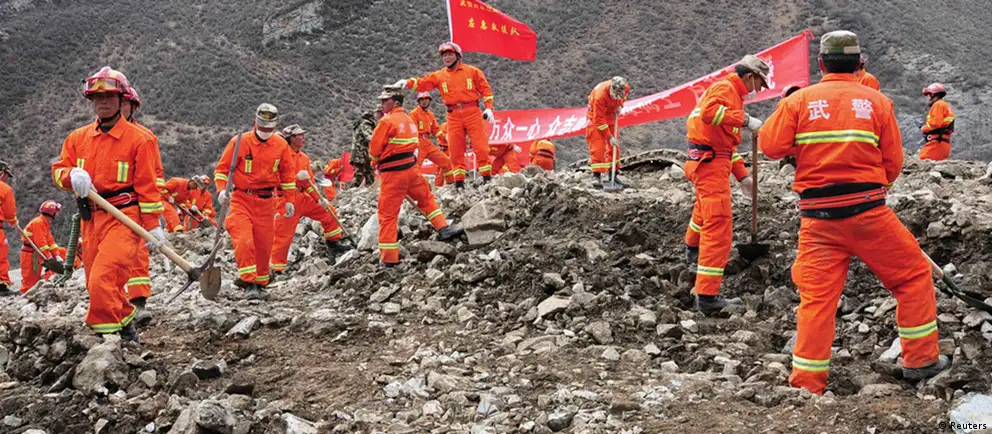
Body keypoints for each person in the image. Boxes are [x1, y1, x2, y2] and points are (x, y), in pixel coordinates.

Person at [759, 30, 948, 395]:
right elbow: (893, 163)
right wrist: (871, 188)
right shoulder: (877, 102)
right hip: (870, 215)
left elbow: (770, 146)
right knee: (912, 278)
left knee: (816, 301)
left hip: (817, 222)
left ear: (820, 64)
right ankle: (921, 361)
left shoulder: (799, 102)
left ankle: (807, 384)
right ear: (860, 64)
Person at [51, 66, 166, 343]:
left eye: (109, 97)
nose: (102, 102)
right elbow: (58, 171)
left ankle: (106, 338)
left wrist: (153, 226)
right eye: (97, 97)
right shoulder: (77, 139)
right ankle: (126, 323)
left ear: (121, 99)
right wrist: (70, 175)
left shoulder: (140, 140)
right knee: (98, 281)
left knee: (102, 277)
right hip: (91, 220)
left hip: (125, 218)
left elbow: (148, 187)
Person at [683, 55, 769, 315]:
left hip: (710, 162)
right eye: (759, 84)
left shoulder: (731, 94)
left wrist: (742, 176)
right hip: (709, 166)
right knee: (718, 226)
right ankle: (707, 296)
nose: (758, 90)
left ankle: (692, 249)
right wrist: (744, 120)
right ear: (750, 76)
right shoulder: (726, 89)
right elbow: (710, 114)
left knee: (704, 211)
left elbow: (725, 145)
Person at [369, 87, 464, 268]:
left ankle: (389, 259)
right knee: (426, 199)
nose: (382, 104)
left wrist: (374, 162)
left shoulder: (386, 121)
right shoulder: (409, 119)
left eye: (385, 100)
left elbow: (374, 149)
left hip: (393, 175)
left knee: (388, 215)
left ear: (396, 102)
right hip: (411, 171)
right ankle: (443, 228)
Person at [213, 103, 297, 300]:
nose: (265, 132)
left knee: (264, 245)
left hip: (267, 202)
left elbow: (287, 174)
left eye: (269, 129)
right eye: (262, 128)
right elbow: (222, 170)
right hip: (241, 199)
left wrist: (289, 200)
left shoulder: (280, 145)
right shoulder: (239, 142)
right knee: (244, 240)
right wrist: (221, 190)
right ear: (254, 124)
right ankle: (249, 282)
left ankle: (259, 283)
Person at [392, 42, 496, 188]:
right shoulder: (439, 76)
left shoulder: (472, 72)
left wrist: (489, 108)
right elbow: (423, 83)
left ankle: (486, 179)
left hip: (472, 112)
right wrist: (407, 83)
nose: (446, 58)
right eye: (444, 55)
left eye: (449, 54)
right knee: (455, 149)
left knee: (481, 147)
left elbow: (486, 90)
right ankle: (459, 183)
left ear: (458, 55)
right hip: (453, 116)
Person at [270, 124, 347, 277]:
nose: (303, 137)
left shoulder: (304, 158)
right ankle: (277, 269)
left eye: (302, 134)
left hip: (302, 197)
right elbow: (273, 179)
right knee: (283, 235)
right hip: (285, 199)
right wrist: (295, 178)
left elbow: (309, 184)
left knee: (329, 211)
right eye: (299, 135)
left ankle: (333, 243)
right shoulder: (280, 156)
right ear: (291, 139)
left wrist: (319, 199)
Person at [120, 84, 166, 324]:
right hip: (103, 210)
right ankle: (115, 308)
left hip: (134, 207)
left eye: (123, 103)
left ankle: (138, 303)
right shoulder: (91, 136)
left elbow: (155, 176)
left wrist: (152, 221)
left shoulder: (145, 138)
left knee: (137, 256)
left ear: (132, 107)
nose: (119, 107)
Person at [586, 77, 630, 188]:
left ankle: (613, 175)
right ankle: (596, 176)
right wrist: (609, 137)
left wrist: (620, 104)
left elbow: (624, 97)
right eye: (615, 95)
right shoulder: (600, 96)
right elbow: (598, 119)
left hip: (611, 114)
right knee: (598, 146)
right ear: (611, 89)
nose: (616, 97)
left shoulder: (625, 87)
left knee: (615, 147)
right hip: (596, 116)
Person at [19, 200, 68, 293]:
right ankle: (25, 296)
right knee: (30, 280)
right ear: (52, 213)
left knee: (62, 251)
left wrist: (56, 255)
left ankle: (40, 287)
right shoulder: (38, 223)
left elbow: (50, 241)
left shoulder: (44, 223)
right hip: (30, 255)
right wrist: (49, 257)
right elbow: (41, 244)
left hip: (36, 253)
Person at [919, 83, 956, 161]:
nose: (927, 98)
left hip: (936, 144)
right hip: (944, 144)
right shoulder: (946, 105)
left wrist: (923, 128)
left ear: (932, 94)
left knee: (922, 161)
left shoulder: (938, 105)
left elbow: (935, 124)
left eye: (928, 95)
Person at [0, 162, 16, 296]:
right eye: (6, 175)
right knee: (1, 256)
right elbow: (10, 213)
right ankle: (1, 285)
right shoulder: (4, 189)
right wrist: (13, 222)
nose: (6, 179)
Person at [350, 110, 378, 187]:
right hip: (361, 153)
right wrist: (379, 141)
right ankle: (353, 190)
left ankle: (367, 189)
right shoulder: (366, 123)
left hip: (360, 153)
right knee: (359, 175)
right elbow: (369, 136)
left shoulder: (360, 124)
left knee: (368, 173)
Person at [434, 122, 454, 187]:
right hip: (444, 149)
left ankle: (450, 183)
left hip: (449, 149)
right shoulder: (446, 125)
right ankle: (438, 185)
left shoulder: (449, 125)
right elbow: (445, 138)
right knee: (441, 168)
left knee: (450, 167)